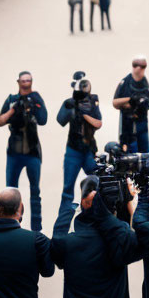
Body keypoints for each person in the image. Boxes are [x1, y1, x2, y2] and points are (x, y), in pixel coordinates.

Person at [0, 71, 48, 232]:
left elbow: (43, 120)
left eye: (29, 80)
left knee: (35, 192)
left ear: (32, 81)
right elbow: (0, 121)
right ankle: (10, 225)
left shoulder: (36, 98)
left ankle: (36, 230)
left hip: (32, 152)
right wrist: (14, 109)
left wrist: (33, 106)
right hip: (14, 152)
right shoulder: (12, 99)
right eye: (23, 80)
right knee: (10, 191)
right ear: (18, 81)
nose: (26, 83)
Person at [57, 74, 103, 219]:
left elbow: (98, 123)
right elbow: (60, 120)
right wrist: (69, 107)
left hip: (88, 150)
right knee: (67, 190)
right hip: (73, 150)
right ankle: (62, 225)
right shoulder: (70, 103)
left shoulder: (92, 102)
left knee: (98, 183)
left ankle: (97, 216)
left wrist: (83, 114)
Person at [113, 56, 149, 154]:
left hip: (142, 124)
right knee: (128, 155)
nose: (138, 68)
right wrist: (131, 99)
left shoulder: (145, 84)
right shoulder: (125, 82)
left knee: (144, 156)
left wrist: (142, 103)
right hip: (127, 125)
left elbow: (147, 103)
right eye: (135, 65)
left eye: (142, 66)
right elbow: (115, 102)